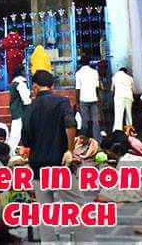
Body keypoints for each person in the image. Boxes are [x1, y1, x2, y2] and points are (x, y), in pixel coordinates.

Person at [22, 70, 93, 244]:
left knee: (44, 210)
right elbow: (70, 123)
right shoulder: (61, 102)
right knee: (77, 206)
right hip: (60, 164)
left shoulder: (29, 108)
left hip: (38, 166)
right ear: (52, 86)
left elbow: (26, 140)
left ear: (35, 86)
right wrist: (69, 150)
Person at [75, 59, 102, 142]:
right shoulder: (94, 72)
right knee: (95, 121)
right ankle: (97, 141)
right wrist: (99, 98)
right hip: (94, 98)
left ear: (80, 64)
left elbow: (77, 89)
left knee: (84, 121)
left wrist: (77, 102)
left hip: (83, 99)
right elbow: (97, 87)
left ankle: (83, 140)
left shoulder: (78, 73)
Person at [8, 66, 31, 157]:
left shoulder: (14, 83)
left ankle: (12, 151)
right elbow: (26, 98)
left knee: (16, 132)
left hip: (16, 110)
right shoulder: (20, 83)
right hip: (21, 111)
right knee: (16, 133)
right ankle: (12, 152)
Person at [112, 66, 135, 130]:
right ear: (126, 72)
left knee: (118, 114)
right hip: (129, 96)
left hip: (119, 97)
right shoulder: (130, 78)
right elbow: (133, 89)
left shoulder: (115, 77)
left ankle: (117, 130)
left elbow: (113, 89)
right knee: (128, 114)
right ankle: (130, 130)